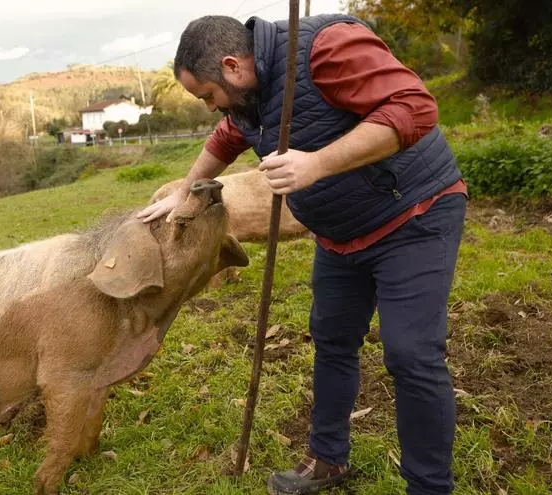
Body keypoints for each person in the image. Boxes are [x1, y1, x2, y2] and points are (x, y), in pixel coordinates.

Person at [137, 14, 467, 495]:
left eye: (208, 95)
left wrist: (317, 164)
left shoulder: (327, 48)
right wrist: (184, 190)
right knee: (332, 340)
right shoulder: (248, 95)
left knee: (411, 354)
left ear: (233, 65)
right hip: (339, 233)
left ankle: (430, 487)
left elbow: (414, 109)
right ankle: (329, 460)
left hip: (413, 214)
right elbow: (230, 134)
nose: (211, 107)